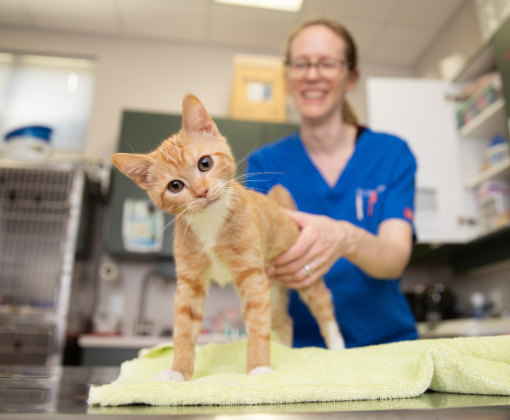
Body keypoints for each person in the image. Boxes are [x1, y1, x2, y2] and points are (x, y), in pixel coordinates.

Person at [246, 17, 418, 349]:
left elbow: (395, 257)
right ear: (287, 77)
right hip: (299, 352)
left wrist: (345, 238)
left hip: (385, 346)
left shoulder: (391, 154)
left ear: (350, 77)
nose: (312, 74)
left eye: (327, 63)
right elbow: (253, 257)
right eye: (301, 64)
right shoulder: (265, 164)